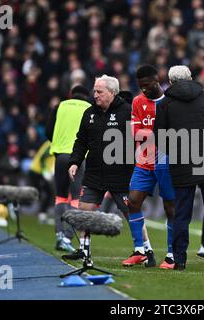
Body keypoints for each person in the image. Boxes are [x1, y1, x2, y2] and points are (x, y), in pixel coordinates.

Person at [154, 65, 204, 271]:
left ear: (171, 81)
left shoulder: (165, 103)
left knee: (182, 213)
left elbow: (159, 136)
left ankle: (179, 259)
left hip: (182, 162)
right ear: (191, 77)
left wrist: (175, 151)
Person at [65, 75, 134, 263]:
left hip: (121, 173)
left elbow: (138, 141)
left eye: (99, 91)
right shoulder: (89, 113)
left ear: (112, 92)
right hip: (94, 173)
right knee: (84, 211)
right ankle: (84, 250)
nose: (95, 95)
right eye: (94, 90)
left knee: (132, 212)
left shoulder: (127, 112)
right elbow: (81, 141)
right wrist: (74, 162)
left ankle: (144, 249)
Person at [123, 65, 175, 269]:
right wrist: (156, 134)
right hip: (143, 162)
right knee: (133, 202)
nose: (144, 89)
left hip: (166, 161)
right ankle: (140, 250)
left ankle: (171, 254)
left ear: (157, 80)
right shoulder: (137, 102)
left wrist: (150, 133)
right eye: (140, 86)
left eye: (147, 85)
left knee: (171, 208)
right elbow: (134, 133)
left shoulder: (169, 102)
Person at [45, 85, 91, 252]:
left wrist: (58, 142)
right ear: (87, 96)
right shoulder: (89, 108)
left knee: (60, 197)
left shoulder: (60, 105)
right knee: (76, 198)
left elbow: (48, 131)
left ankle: (58, 235)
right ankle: (67, 237)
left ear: (71, 95)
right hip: (77, 158)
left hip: (60, 156)